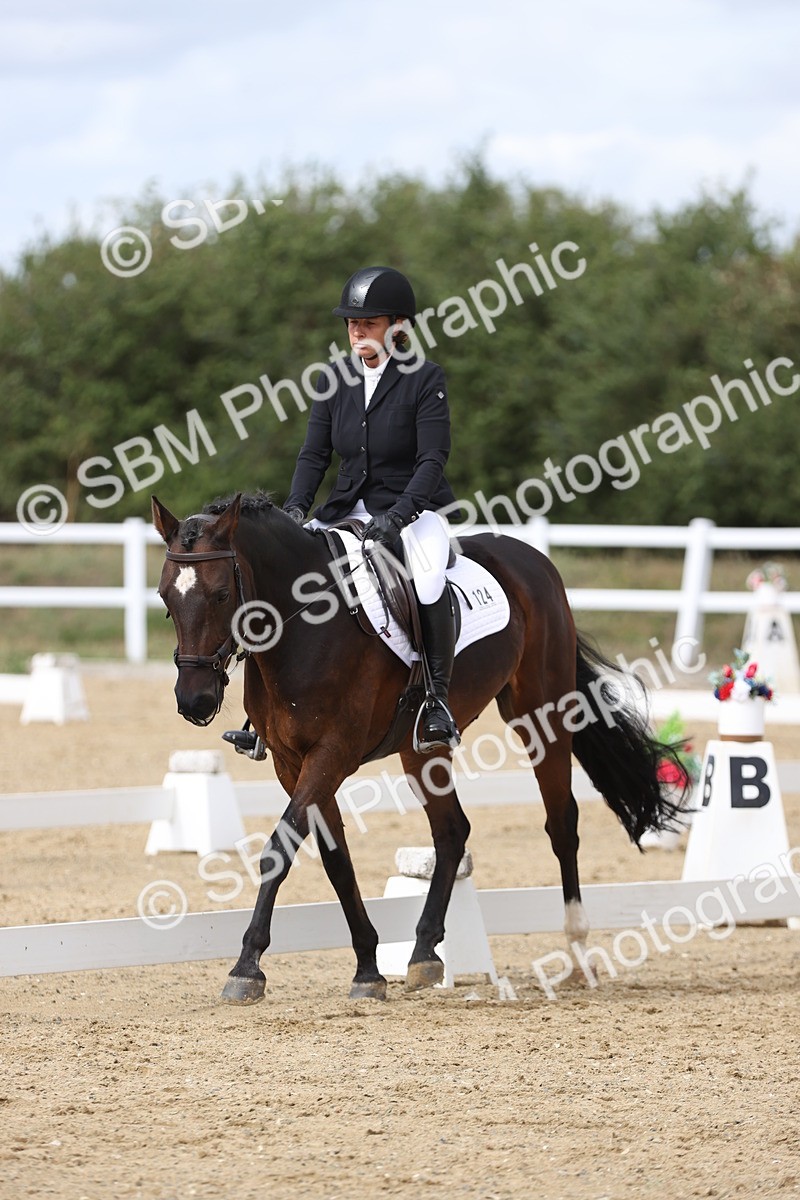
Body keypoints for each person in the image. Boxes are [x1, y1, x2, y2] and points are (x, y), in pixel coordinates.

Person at [282, 265, 461, 752]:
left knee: (425, 580)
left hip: (410, 511)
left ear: (398, 327)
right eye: (351, 322)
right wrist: (296, 511)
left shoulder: (424, 378)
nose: (357, 330)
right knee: (288, 572)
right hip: (343, 509)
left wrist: (398, 517)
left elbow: (432, 458)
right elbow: (314, 455)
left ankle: (436, 702)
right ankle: (269, 713)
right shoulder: (333, 378)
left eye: (370, 322)